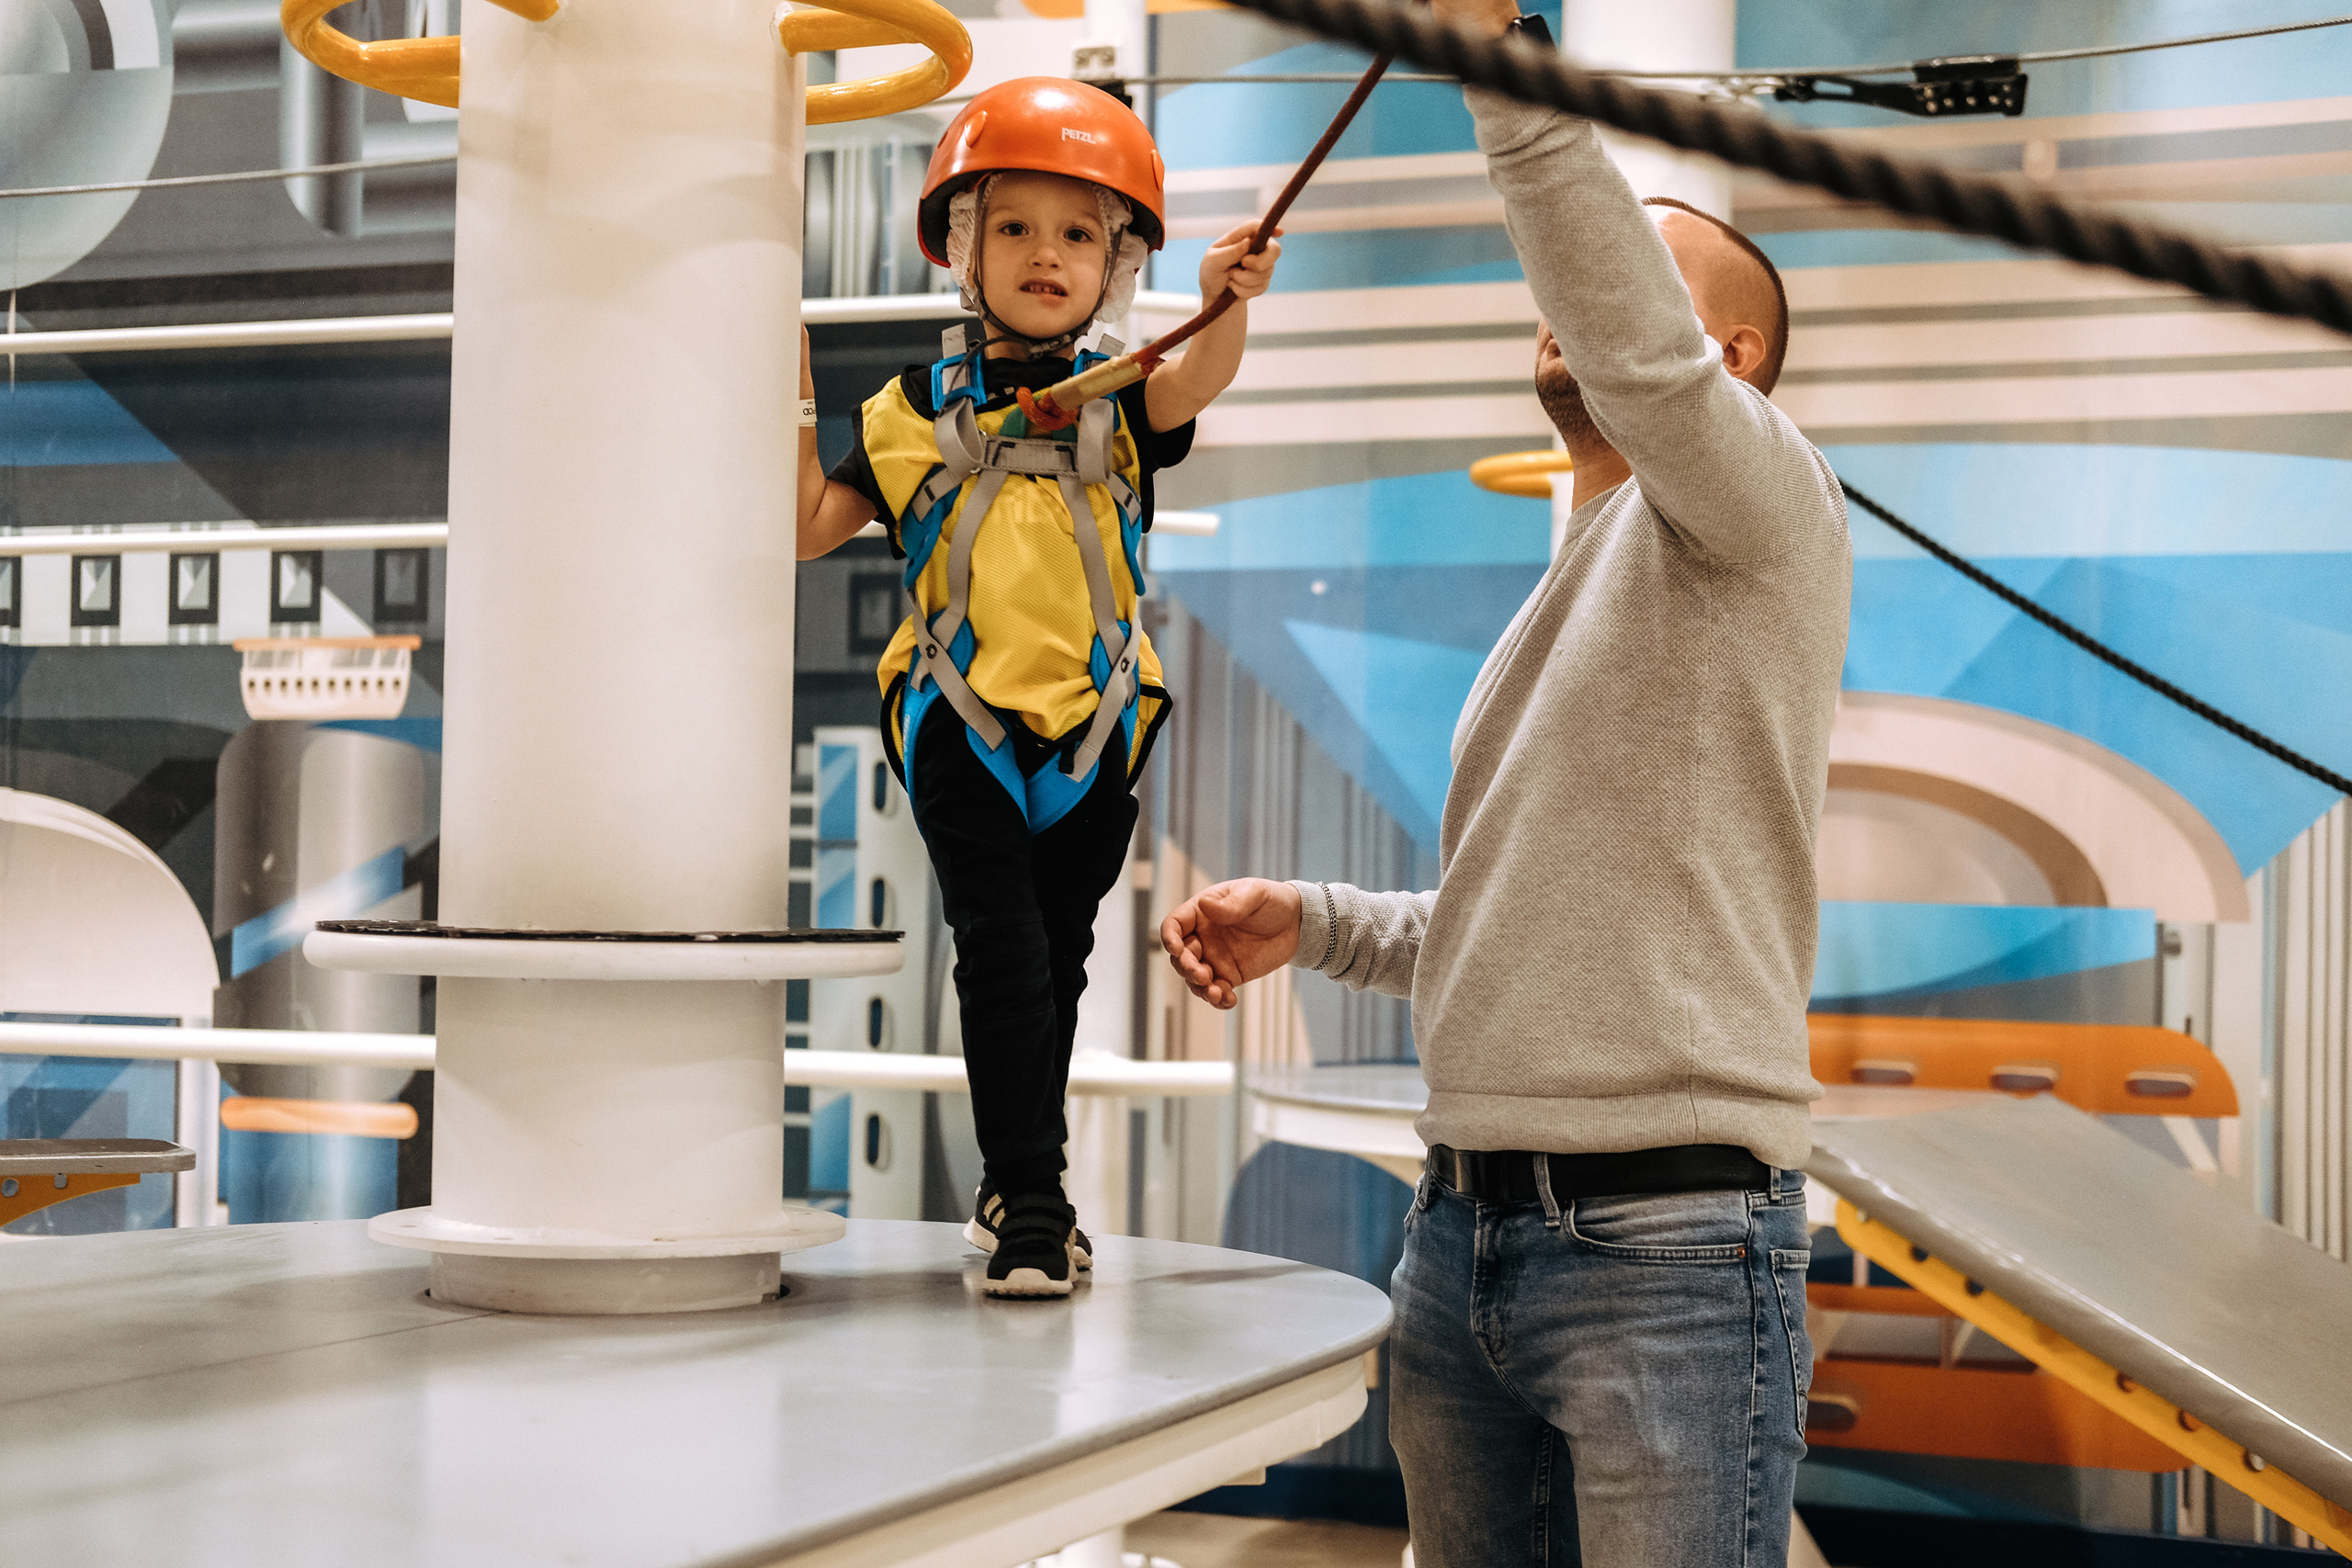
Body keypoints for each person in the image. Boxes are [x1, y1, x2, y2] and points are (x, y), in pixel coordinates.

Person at [1157, 1, 1851, 1558]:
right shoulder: (1578, 582)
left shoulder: (1766, 506)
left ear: (1729, 366)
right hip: (1463, 1234)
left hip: (1667, 1253)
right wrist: (1321, 921)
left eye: (1634, 284)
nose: (1570, 300)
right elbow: (1520, 914)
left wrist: (1506, 80)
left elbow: (1642, 352)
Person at [797, 78, 1280, 1299]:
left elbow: (1196, 382)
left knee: (1054, 963)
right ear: (961, 245)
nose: (1047, 255)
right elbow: (806, 527)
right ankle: (1035, 1212)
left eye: (1079, 233)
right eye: (1013, 226)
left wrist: (1225, 301)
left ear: (1117, 263)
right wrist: (790, 394)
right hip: (958, 721)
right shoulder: (909, 409)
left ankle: (1014, 1182)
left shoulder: (1126, 395)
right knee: (1002, 954)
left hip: (1100, 727)